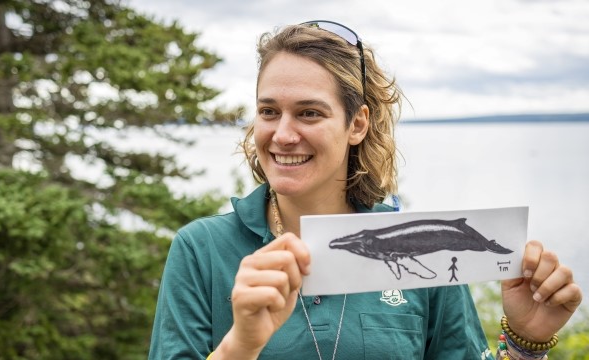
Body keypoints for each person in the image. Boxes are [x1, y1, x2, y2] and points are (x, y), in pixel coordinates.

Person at [148, 20, 583, 359]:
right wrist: (240, 346)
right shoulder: (201, 249)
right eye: (268, 111)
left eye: (309, 113)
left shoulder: (428, 249)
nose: (282, 134)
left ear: (356, 124)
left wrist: (526, 340)